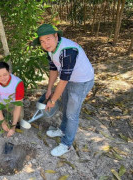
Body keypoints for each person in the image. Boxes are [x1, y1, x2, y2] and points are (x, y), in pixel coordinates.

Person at [33, 24, 94, 156]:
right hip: (71, 78)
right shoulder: (50, 49)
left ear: (56, 36)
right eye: (42, 41)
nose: (45, 43)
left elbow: (64, 80)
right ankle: (63, 130)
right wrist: (49, 90)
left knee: (72, 113)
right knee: (66, 106)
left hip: (82, 81)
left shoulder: (67, 51)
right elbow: (54, 69)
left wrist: (53, 100)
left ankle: (67, 144)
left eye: (48, 39)